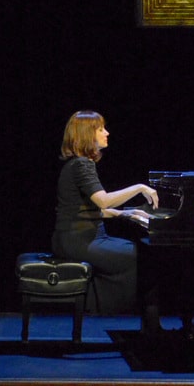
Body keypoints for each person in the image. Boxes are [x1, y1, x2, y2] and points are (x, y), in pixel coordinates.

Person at [52, 110, 159, 314]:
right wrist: (139, 187)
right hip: (80, 241)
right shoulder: (82, 165)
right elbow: (103, 201)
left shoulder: (77, 164)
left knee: (142, 252)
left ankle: (147, 326)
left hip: (74, 239)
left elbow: (87, 211)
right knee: (146, 257)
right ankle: (145, 325)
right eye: (101, 129)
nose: (107, 133)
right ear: (87, 134)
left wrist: (124, 213)